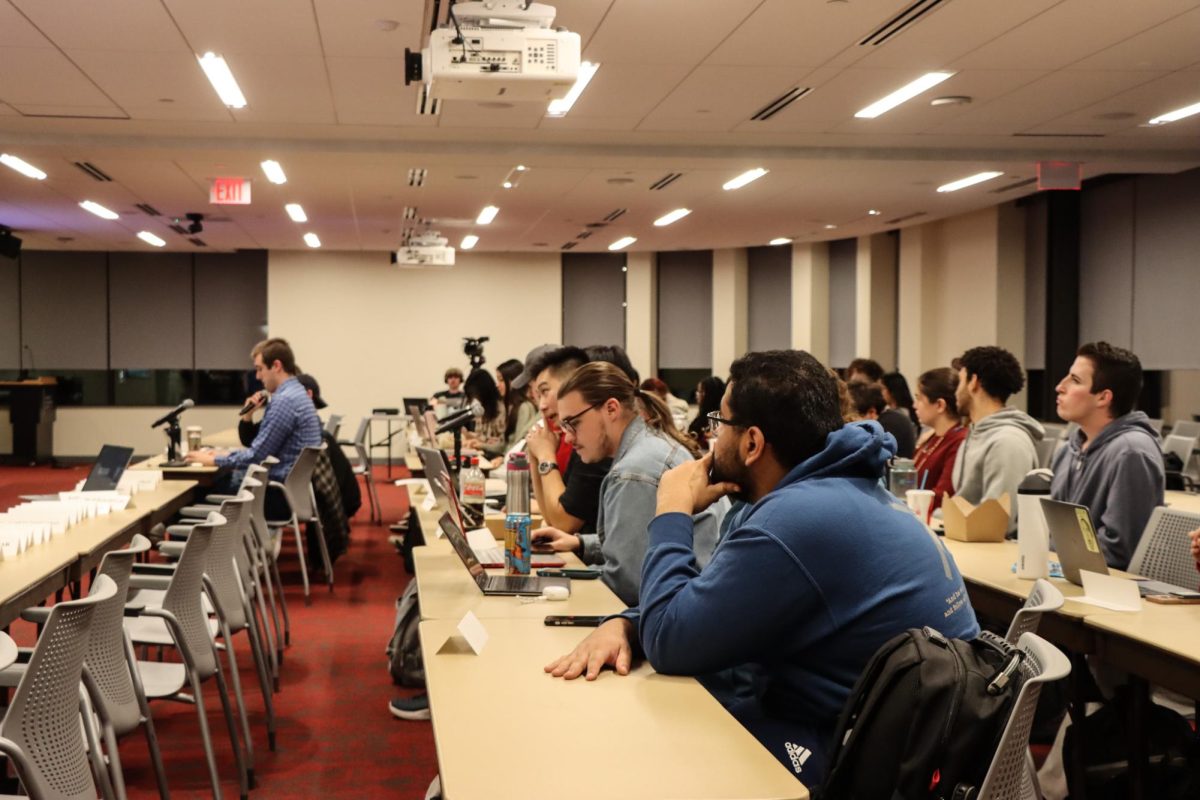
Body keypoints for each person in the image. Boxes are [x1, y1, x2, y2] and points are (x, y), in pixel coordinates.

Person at [544, 350, 979, 786]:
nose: (714, 439)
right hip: (907, 749)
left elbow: (670, 644)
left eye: (722, 424)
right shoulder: (842, 490)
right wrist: (628, 623)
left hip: (848, 762)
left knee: (645, 753)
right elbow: (719, 596)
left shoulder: (794, 521)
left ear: (751, 443)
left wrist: (672, 509)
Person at [533, 362, 720, 606]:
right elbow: (643, 540)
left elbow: (627, 587)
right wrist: (581, 544)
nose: (568, 437)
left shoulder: (633, 472)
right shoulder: (649, 444)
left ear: (611, 409)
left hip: (677, 613)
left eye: (573, 424)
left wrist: (557, 584)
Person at [1049, 342, 1164, 569]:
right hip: (1065, 576)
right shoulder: (1068, 449)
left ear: (1103, 397)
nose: (1059, 387)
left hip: (1105, 589)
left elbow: (1119, 550)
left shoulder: (1131, 452)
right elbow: (1053, 531)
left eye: (1075, 380)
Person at [187, 337, 323, 520]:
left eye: (260, 369)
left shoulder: (284, 401)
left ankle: (184, 542)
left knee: (195, 492)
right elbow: (260, 450)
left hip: (274, 496)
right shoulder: (298, 394)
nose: (257, 377)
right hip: (290, 493)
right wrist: (222, 456)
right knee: (220, 478)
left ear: (276, 366)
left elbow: (257, 456)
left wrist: (216, 460)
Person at [950, 346, 1044, 532]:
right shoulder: (975, 433)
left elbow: (998, 523)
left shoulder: (1008, 442)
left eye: (960, 382)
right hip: (967, 539)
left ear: (973, 382)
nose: (955, 392)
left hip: (991, 551)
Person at [523, 346, 610, 535]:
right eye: (538, 396)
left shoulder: (595, 442)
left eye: (545, 392)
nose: (542, 406)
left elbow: (564, 523)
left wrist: (546, 455)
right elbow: (551, 518)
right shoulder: (573, 437)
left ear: (573, 385)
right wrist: (536, 454)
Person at [912, 367, 967, 514]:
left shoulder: (958, 441)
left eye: (919, 399)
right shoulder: (932, 437)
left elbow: (943, 496)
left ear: (940, 405)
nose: (914, 406)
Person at [847, 381, 916, 458]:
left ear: (871, 412)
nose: (851, 423)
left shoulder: (885, 426)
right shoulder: (893, 417)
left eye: (853, 418)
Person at [461, 369, 506, 458]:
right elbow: (483, 436)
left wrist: (480, 442)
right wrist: (469, 436)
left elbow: (501, 443)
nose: (474, 400)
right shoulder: (481, 410)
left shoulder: (502, 409)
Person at [495, 358, 538, 451]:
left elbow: (518, 444)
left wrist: (502, 458)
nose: (497, 385)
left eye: (501, 380)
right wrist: (480, 445)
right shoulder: (513, 407)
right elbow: (505, 445)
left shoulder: (524, 407)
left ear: (513, 381)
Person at [687, 376, 726, 450]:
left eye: (700, 391)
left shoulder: (715, 417)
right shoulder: (704, 413)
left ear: (709, 395)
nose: (697, 394)